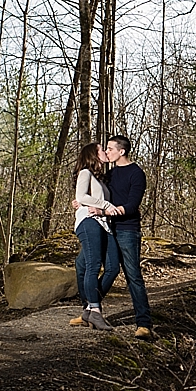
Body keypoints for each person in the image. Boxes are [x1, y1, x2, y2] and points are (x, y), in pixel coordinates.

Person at [100, 134, 155, 341]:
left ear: (121, 151)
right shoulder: (110, 174)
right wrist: (81, 202)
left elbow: (133, 205)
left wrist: (108, 212)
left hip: (128, 230)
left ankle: (143, 324)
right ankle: (90, 311)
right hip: (108, 229)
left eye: (110, 149)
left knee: (133, 276)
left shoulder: (136, 173)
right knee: (109, 271)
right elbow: (98, 194)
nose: (107, 152)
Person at [71, 143, 117, 331]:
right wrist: (105, 204)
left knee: (113, 267)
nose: (105, 152)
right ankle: (95, 311)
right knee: (93, 265)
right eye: (101, 150)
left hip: (104, 224)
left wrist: (103, 207)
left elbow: (86, 198)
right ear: (93, 155)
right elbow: (81, 196)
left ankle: (89, 307)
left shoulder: (101, 180)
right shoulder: (85, 173)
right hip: (88, 222)